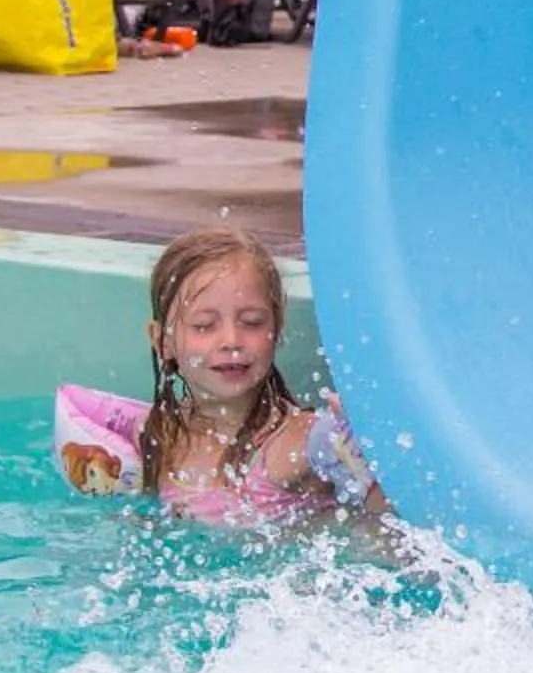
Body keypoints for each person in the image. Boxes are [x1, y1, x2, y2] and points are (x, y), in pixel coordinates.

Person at [56, 225, 385, 529]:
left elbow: (390, 526)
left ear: (277, 330)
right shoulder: (156, 437)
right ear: (162, 341)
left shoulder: (295, 445)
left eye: (252, 322)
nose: (231, 340)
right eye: (204, 326)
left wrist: (361, 449)